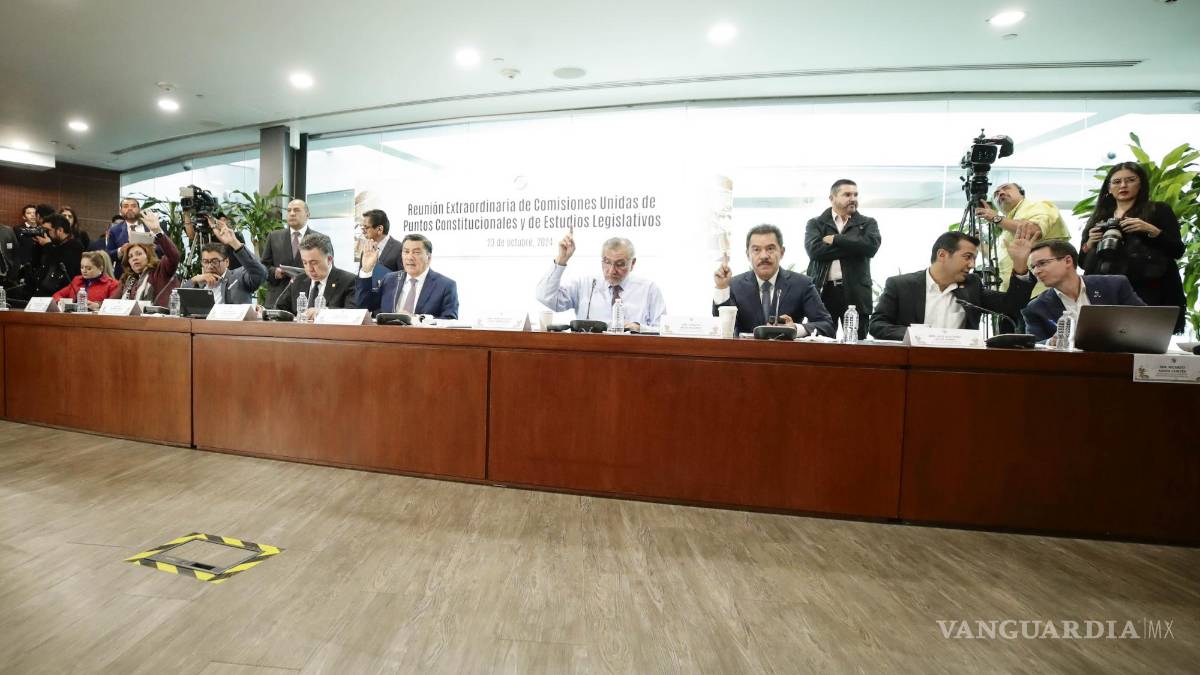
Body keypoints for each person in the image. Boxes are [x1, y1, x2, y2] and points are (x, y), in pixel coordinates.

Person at [868, 230, 1036, 341]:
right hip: (913, 363)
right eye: (967, 257)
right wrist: (918, 335)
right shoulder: (901, 285)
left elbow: (1011, 305)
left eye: (974, 259)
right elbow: (877, 325)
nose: (972, 265)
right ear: (942, 255)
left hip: (959, 366)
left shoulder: (971, 285)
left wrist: (1020, 263)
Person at [1079, 161, 1186, 333]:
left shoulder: (1158, 210)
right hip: (1106, 291)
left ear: (1141, 184)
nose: (1123, 185)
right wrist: (1090, 243)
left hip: (1148, 289)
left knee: (1144, 338)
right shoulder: (1099, 217)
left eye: (1130, 180)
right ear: (1109, 188)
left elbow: (1177, 250)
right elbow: (1082, 263)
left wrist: (1151, 230)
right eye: (1117, 182)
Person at [713, 224, 834, 337]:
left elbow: (827, 326)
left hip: (786, 351)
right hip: (747, 352)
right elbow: (721, 327)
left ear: (782, 252)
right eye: (756, 250)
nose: (764, 256)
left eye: (770, 248)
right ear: (748, 254)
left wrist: (795, 329)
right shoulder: (735, 285)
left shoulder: (802, 284)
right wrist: (722, 288)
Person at [536, 231, 666, 330]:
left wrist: (640, 328)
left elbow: (664, 330)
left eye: (620, 264)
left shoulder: (649, 289)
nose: (612, 270)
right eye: (607, 262)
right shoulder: (586, 284)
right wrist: (561, 260)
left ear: (632, 264)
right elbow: (546, 297)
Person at [1021, 240, 1146, 342]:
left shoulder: (1114, 286)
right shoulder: (1035, 308)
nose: (1036, 271)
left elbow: (1146, 321)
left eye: (1042, 263)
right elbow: (1033, 345)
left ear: (1068, 261)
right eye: (1033, 267)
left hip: (1121, 357)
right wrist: (1051, 342)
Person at [804, 179, 881, 339]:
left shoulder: (867, 223)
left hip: (856, 293)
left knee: (857, 345)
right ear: (832, 198)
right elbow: (815, 251)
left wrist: (836, 239)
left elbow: (870, 247)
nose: (853, 198)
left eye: (855, 195)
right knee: (821, 342)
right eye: (847, 194)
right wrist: (855, 247)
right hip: (824, 292)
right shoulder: (816, 223)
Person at [974, 182, 1071, 295]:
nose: (1000, 193)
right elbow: (997, 257)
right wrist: (977, 242)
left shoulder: (1038, 206)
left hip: (1041, 292)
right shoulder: (1007, 225)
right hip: (1014, 294)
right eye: (996, 194)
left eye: (1006, 188)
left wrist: (996, 218)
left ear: (1021, 193)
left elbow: (1034, 230)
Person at [357, 233, 458, 319]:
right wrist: (366, 270)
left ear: (429, 257)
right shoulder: (390, 279)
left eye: (416, 252)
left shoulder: (445, 286)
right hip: (389, 335)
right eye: (406, 252)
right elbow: (364, 306)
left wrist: (417, 319)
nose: (410, 257)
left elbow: (450, 320)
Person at [183, 221, 267, 304]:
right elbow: (180, 299)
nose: (209, 266)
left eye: (214, 261)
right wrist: (194, 280)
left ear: (227, 262)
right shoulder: (200, 283)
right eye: (205, 262)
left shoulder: (239, 277)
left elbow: (260, 273)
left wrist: (234, 243)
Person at [275, 232, 357, 318]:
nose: (309, 269)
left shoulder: (349, 281)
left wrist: (324, 313)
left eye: (314, 263)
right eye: (305, 263)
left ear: (329, 259)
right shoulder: (298, 280)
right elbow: (279, 310)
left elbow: (353, 314)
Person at [261, 199, 323, 308]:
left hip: (308, 299)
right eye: (289, 210)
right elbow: (263, 266)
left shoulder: (320, 239)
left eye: (297, 210)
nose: (292, 213)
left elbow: (328, 269)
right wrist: (275, 272)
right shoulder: (274, 236)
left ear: (307, 215)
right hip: (277, 299)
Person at [110, 211, 180, 306]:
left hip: (158, 315)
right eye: (130, 256)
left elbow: (174, 256)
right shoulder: (127, 279)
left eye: (138, 254)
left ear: (148, 255)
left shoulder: (161, 270)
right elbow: (111, 302)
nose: (134, 258)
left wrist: (158, 231)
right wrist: (97, 305)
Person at [31, 214, 84, 294]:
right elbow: (36, 263)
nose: (45, 233)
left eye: (47, 230)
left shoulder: (75, 246)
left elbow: (62, 264)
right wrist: (38, 245)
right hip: (43, 291)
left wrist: (47, 245)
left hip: (63, 293)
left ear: (60, 230)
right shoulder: (52, 244)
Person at [52, 251, 120, 310]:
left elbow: (115, 305)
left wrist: (98, 305)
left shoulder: (111, 284)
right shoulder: (77, 280)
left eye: (89, 268)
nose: (84, 271)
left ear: (100, 269)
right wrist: (60, 301)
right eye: (82, 267)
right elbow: (57, 295)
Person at [106, 197, 152, 275]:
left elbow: (162, 250)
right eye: (126, 206)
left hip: (150, 273)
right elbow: (108, 255)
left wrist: (151, 248)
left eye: (133, 206)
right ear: (121, 211)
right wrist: (121, 250)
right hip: (124, 274)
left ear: (139, 209)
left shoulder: (151, 226)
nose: (130, 208)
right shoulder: (114, 230)